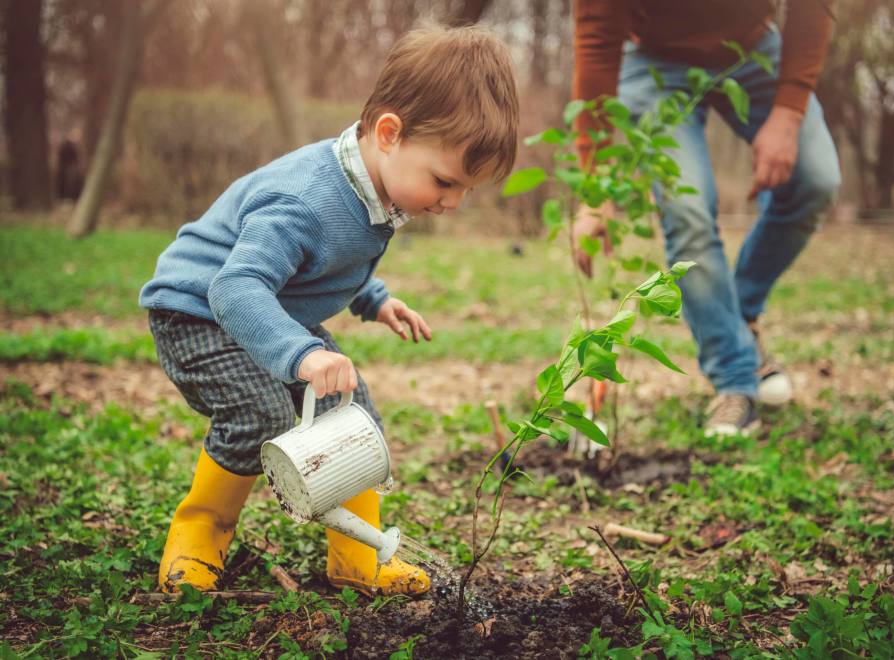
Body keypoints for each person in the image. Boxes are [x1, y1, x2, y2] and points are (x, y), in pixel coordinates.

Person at [139, 25, 519, 595]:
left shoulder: (375, 186)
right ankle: (198, 537)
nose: (454, 203)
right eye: (445, 181)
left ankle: (357, 557)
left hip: (268, 308)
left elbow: (328, 260)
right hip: (198, 311)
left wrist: (376, 299)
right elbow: (236, 286)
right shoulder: (304, 199)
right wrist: (301, 353)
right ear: (389, 133)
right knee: (259, 414)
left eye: (467, 189)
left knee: (352, 417)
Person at [571, 0, 840, 437]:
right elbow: (596, 41)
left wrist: (789, 114)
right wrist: (595, 187)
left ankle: (741, 320)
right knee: (687, 210)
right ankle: (735, 379)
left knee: (815, 180)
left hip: (754, 47)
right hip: (654, 59)